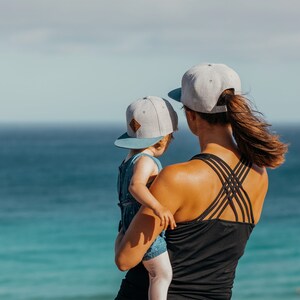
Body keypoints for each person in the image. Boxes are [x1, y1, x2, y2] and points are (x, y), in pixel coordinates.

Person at [114, 63, 288, 299]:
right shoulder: (259, 173)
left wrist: (127, 208)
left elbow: (125, 259)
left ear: (191, 115)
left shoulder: (177, 178)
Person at [114, 96, 178, 300]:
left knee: (151, 273)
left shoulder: (128, 160)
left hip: (126, 224)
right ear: (163, 140)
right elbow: (136, 187)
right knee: (161, 274)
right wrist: (159, 207)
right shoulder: (145, 160)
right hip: (143, 227)